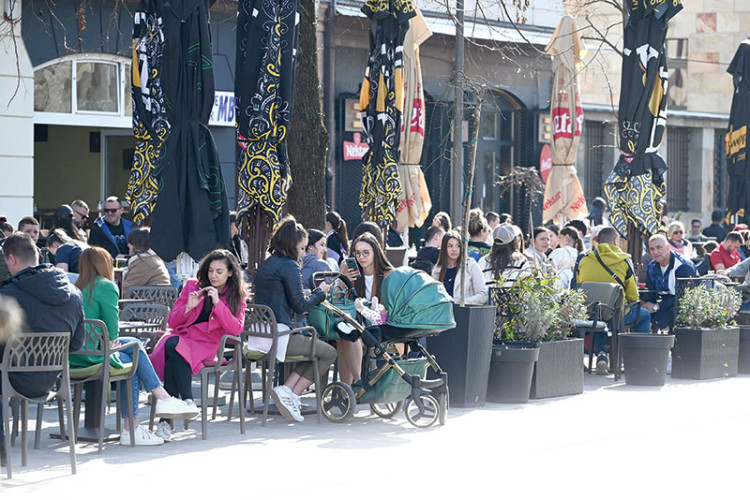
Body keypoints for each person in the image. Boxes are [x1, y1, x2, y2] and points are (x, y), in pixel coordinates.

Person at [73, 246, 197, 445]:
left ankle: (155, 406)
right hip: (95, 355)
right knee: (134, 356)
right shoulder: (106, 286)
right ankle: (134, 425)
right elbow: (112, 332)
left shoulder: (75, 287)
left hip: (74, 354)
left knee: (135, 346)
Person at [0, 232, 86, 460]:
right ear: (37, 254)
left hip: (13, 378)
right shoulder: (74, 293)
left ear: (12, 259)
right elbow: (76, 344)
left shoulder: (6, 295)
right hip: (52, 379)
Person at [149, 249, 247, 435]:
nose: (213, 276)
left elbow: (236, 330)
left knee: (173, 348)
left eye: (219, 271)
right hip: (184, 337)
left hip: (207, 345)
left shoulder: (237, 296)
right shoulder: (192, 286)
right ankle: (187, 403)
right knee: (173, 351)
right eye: (210, 271)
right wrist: (188, 308)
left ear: (230, 272)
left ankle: (168, 421)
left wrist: (218, 304)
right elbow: (173, 321)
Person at [254, 217, 336, 422]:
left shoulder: (266, 264)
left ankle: (288, 391)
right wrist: (320, 293)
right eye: (301, 248)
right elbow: (300, 305)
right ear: (293, 245)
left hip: (259, 335)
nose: (303, 253)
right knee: (329, 353)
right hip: (282, 335)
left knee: (315, 349)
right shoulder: (289, 266)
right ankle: (291, 392)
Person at [575, 227, 652, 374]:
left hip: (591, 313)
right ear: (615, 241)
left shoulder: (584, 260)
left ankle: (601, 354)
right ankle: (639, 360)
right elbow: (632, 296)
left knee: (600, 314)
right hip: (617, 314)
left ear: (597, 242)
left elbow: (581, 285)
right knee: (644, 315)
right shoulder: (624, 260)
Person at [340, 231, 394, 384]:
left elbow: (389, 309)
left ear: (375, 253)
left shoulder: (388, 274)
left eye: (366, 253)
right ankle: (349, 387)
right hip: (356, 322)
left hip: (380, 325)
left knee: (350, 337)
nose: (361, 257)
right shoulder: (350, 272)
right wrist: (344, 282)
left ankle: (357, 383)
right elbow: (338, 299)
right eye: (357, 253)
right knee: (344, 337)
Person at [641, 234, 698, 332]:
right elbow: (651, 292)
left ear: (668, 247)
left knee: (674, 313)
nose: (656, 252)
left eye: (659, 247)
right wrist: (644, 304)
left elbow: (684, 297)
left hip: (686, 303)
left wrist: (657, 306)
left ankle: (673, 345)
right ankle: (644, 344)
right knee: (641, 312)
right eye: (652, 249)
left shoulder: (683, 266)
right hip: (665, 301)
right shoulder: (652, 266)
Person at [432, 230, 487, 305]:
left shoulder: (470, 265)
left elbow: (483, 294)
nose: (454, 249)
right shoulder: (437, 270)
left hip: (466, 312)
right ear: (444, 248)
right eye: (450, 246)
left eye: (458, 246)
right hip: (445, 314)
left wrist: (462, 302)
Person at [121, 227, 172, 296]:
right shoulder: (152, 258)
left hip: (147, 304)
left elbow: (126, 291)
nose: (128, 245)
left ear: (137, 244)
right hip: (157, 303)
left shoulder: (142, 263)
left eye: (130, 242)